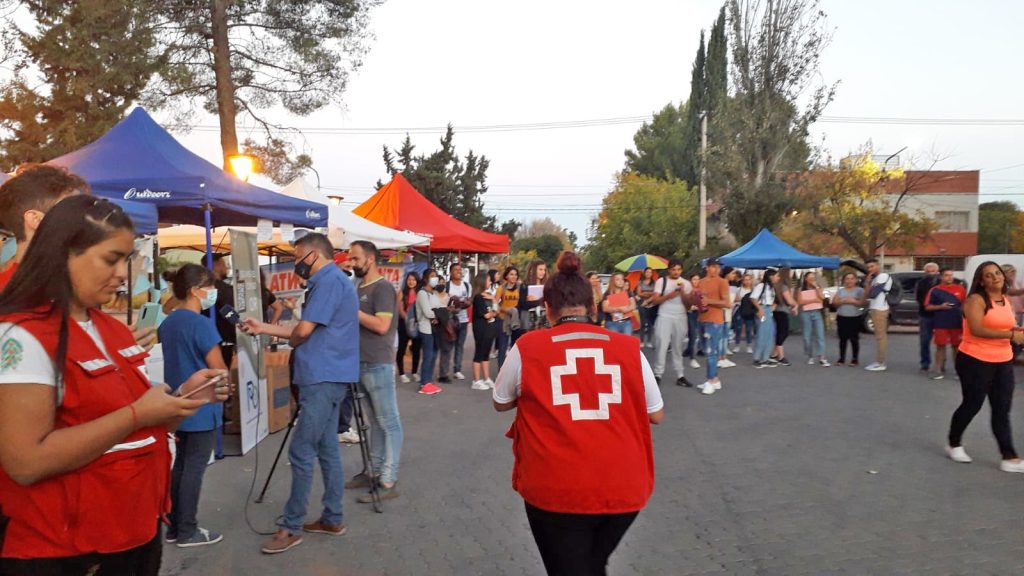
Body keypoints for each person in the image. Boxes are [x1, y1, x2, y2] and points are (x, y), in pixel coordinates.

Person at [0, 195, 227, 574]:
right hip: (67, 550)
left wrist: (183, 398)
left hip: (135, 533)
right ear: (64, 253)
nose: (123, 274)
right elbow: (26, 462)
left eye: (127, 259)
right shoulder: (22, 336)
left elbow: (143, 426)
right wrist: (137, 414)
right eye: (111, 259)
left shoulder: (114, 330)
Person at [492, 251, 664, 576]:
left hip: (555, 488)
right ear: (593, 307)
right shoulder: (629, 349)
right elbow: (655, 413)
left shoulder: (528, 348)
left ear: (547, 309)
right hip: (623, 486)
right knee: (591, 564)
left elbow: (500, 401)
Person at [242, 232, 359, 554]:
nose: (296, 264)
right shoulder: (332, 281)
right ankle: (332, 518)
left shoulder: (328, 281)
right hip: (329, 377)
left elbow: (302, 331)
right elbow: (305, 328)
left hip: (322, 377)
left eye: (297, 258)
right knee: (327, 449)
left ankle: (291, 526)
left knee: (301, 451)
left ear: (313, 256)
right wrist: (263, 328)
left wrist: (292, 340)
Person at [0, 164, 157, 350]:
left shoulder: (80, 291)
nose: (87, 220)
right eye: (72, 211)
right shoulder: (9, 296)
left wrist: (118, 353)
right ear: (36, 220)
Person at [160, 264, 229, 548]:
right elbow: (218, 369)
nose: (213, 291)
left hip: (178, 404)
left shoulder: (168, 323)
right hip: (203, 405)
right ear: (195, 291)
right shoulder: (201, 324)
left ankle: (176, 526)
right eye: (209, 286)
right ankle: (187, 529)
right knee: (194, 468)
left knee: (182, 465)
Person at [945, 262, 1024, 473]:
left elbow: (1006, 325)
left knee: (1002, 408)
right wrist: (1011, 335)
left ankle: (1009, 457)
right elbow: (977, 329)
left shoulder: (1005, 299)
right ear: (981, 281)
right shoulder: (976, 300)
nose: (995, 277)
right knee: (972, 404)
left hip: (1003, 360)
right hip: (975, 360)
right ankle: (954, 443)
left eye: (997, 273)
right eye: (989, 275)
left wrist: (1017, 331)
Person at [345, 241, 403, 502]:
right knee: (375, 422)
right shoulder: (357, 287)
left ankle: (388, 479)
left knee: (389, 422)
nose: (351, 263)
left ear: (370, 259)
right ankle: (373, 470)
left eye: (355, 258)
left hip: (378, 363)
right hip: (360, 362)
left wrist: (353, 311)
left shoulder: (383, 288)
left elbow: (382, 325)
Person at [648, 259, 694, 387]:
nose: (676, 272)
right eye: (673, 269)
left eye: (678, 269)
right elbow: (655, 300)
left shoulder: (686, 283)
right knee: (661, 345)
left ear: (682, 270)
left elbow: (689, 305)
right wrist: (670, 295)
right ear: (669, 270)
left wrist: (683, 293)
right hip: (664, 316)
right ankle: (658, 374)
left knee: (678, 346)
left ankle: (680, 375)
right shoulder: (661, 281)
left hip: (680, 317)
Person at [696, 258, 731, 395]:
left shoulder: (722, 282)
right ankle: (715, 379)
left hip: (715, 320)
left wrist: (708, 301)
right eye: (713, 266)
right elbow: (699, 299)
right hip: (702, 318)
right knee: (707, 351)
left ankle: (710, 381)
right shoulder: (701, 282)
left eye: (718, 267)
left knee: (711, 352)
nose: (716, 269)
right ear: (707, 267)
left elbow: (727, 303)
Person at [926, 267, 967, 380]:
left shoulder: (960, 289)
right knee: (940, 346)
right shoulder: (934, 290)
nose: (950, 278)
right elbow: (928, 307)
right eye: (947, 275)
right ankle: (938, 370)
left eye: (951, 275)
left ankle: (958, 371)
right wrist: (941, 306)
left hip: (957, 323)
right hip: (941, 323)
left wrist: (965, 318)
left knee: (957, 348)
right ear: (941, 277)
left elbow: (965, 304)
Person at [415, 269, 444, 395]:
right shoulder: (422, 293)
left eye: (436, 276)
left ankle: (428, 380)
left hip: (435, 328)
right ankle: (424, 383)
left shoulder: (433, 293)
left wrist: (439, 314)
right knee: (428, 355)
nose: (435, 278)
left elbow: (439, 308)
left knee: (433, 354)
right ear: (425, 279)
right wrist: (438, 315)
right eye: (432, 276)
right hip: (426, 329)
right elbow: (428, 312)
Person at [470, 271, 498, 391]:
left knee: (486, 353)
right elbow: (487, 315)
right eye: (488, 280)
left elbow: (495, 310)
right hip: (481, 327)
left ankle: (486, 378)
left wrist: (494, 300)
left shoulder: (488, 295)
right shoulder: (478, 297)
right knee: (479, 353)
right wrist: (493, 313)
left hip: (489, 327)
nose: (490, 282)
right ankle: (476, 380)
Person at [863, 258, 892, 372]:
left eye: (872, 266)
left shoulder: (883, 276)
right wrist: (868, 282)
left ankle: (881, 362)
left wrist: (868, 284)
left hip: (880, 308)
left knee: (881, 336)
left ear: (878, 265)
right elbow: (867, 294)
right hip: (874, 308)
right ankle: (878, 361)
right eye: (868, 267)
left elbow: (873, 294)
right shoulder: (875, 279)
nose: (870, 269)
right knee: (878, 336)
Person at [444, 262, 471, 381]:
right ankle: (445, 371)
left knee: (460, 345)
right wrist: (450, 307)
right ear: (450, 272)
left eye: (460, 270)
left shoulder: (467, 286)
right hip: (450, 320)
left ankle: (457, 370)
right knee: (448, 346)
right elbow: (442, 301)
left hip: (463, 320)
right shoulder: (447, 286)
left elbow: (469, 301)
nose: (459, 272)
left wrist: (465, 303)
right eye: (456, 270)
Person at [796, 271, 829, 367]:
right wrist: (813, 300)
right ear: (806, 279)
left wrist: (816, 287)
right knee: (807, 336)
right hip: (806, 313)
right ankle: (810, 355)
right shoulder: (801, 289)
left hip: (817, 312)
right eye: (810, 278)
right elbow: (800, 301)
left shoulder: (818, 288)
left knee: (820, 335)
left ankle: (822, 357)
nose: (812, 279)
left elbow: (822, 298)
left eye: (813, 278)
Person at [209, 253, 237, 367]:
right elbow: (231, 315)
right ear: (217, 265)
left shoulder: (200, 288)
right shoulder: (224, 290)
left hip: (208, 341)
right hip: (223, 341)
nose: (226, 268)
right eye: (224, 264)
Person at [833, 272, 866, 366]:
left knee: (854, 339)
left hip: (854, 317)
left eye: (852, 278)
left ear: (856, 280)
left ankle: (855, 359)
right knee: (842, 339)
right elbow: (834, 302)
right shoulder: (841, 291)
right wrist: (843, 301)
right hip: (842, 317)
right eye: (847, 279)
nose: (849, 281)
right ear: (844, 280)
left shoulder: (860, 290)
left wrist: (852, 301)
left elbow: (862, 303)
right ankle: (841, 358)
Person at [396, 271, 422, 384]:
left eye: (413, 280)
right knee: (402, 348)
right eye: (409, 280)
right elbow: (400, 309)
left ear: (417, 281)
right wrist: (407, 319)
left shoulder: (420, 293)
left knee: (416, 349)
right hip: (404, 323)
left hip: (417, 323)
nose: (411, 282)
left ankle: (414, 372)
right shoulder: (402, 292)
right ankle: (402, 373)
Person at [915, 262, 941, 372]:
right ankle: (925, 363)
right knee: (924, 340)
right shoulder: (921, 283)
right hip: (925, 315)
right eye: (928, 271)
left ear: (937, 272)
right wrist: (927, 305)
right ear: (924, 272)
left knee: (941, 342)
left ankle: (941, 363)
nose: (930, 273)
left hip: (940, 315)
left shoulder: (941, 282)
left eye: (933, 271)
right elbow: (918, 298)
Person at [751, 269, 778, 368]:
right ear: (771, 276)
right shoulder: (761, 286)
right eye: (776, 276)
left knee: (769, 334)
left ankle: (765, 358)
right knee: (762, 334)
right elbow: (753, 298)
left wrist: (773, 306)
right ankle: (757, 358)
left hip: (768, 310)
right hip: (762, 309)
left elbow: (773, 300)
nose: (778, 278)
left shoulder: (772, 288)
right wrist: (760, 309)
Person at [495, 266, 521, 367]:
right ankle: (501, 370)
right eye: (511, 274)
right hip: (503, 319)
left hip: (516, 320)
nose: (514, 276)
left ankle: (513, 370)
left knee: (515, 347)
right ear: (506, 276)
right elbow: (495, 304)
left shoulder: (520, 288)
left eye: (515, 275)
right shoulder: (501, 289)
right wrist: (505, 309)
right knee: (502, 347)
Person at [770, 268, 797, 366]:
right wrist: (796, 305)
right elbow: (789, 301)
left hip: (775, 310)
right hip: (783, 310)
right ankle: (781, 356)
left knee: (779, 331)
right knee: (783, 332)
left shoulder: (775, 286)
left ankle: (775, 353)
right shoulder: (783, 286)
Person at [519, 259, 549, 332]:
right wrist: (540, 301)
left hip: (544, 320)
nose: (543, 272)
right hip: (529, 321)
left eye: (544, 270)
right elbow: (522, 305)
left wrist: (536, 301)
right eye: (540, 269)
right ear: (533, 270)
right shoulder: (524, 285)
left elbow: (550, 302)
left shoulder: (547, 285)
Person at [733, 273, 757, 354]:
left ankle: (749, 345)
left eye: (748, 280)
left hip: (750, 310)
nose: (747, 281)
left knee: (748, 328)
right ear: (742, 281)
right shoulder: (738, 289)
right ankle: (737, 345)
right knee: (738, 328)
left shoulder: (754, 290)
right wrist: (738, 299)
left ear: (751, 280)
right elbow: (734, 299)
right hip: (740, 309)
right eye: (745, 280)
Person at [684, 273, 703, 367]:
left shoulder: (701, 290)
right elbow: (683, 301)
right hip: (690, 314)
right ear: (690, 280)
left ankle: (688, 350)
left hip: (699, 314)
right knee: (693, 335)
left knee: (696, 335)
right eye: (694, 279)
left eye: (698, 279)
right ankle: (692, 358)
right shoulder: (687, 290)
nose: (696, 281)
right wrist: (689, 307)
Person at [636, 267, 658, 348]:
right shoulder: (640, 282)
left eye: (650, 272)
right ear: (644, 273)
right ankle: (641, 341)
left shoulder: (654, 283)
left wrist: (645, 293)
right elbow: (639, 293)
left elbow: (656, 294)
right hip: (642, 304)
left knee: (650, 323)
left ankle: (649, 341)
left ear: (652, 274)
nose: (648, 273)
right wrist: (649, 293)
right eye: (647, 272)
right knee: (642, 323)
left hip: (652, 304)